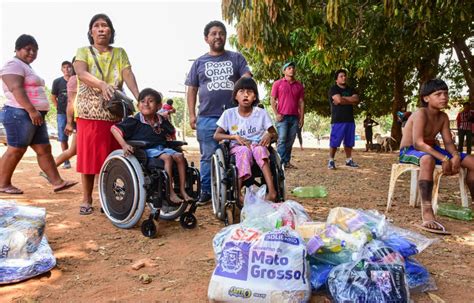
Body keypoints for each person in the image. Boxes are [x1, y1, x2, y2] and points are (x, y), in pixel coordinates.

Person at [73, 13, 139, 215]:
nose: (101, 29)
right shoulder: (82, 51)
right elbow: (81, 72)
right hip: (89, 113)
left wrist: (140, 97)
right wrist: (101, 84)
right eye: (97, 26)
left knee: (111, 157)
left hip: (113, 113)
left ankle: (107, 197)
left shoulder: (120, 53)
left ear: (111, 31)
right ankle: (86, 199)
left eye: (105, 26)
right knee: (88, 158)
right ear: (91, 32)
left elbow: (127, 74)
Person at [0, 34, 77, 194]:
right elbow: (16, 89)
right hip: (19, 113)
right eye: (28, 49)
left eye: (35, 50)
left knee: (44, 149)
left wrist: (36, 112)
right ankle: (2, 183)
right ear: (17, 48)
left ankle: (57, 182)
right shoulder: (13, 64)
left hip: (34, 116)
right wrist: (32, 110)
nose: (32, 53)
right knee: (16, 149)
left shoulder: (26, 67)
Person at [186, 20, 251, 205]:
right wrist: (192, 115)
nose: (218, 36)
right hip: (207, 117)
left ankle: (240, 189)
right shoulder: (199, 62)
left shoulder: (237, 58)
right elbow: (192, 89)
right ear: (206, 38)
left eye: (221, 33)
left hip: (234, 116)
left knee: (239, 151)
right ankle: (206, 191)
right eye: (213, 33)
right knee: (207, 156)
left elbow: (247, 79)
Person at [399, 79, 474, 235]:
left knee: (471, 161)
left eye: (446, 94)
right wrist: (445, 158)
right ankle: (427, 212)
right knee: (427, 159)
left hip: (432, 149)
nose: (444, 97)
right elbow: (418, 143)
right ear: (426, 98)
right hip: (410, 150)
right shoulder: (421, 113)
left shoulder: (443, 117)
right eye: (438, 94)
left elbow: (448, 142)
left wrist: (454, 155)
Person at [111, 88, 192, 204]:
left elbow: (172, 131)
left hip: (161, 148)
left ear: (159, 106)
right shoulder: (135, 120)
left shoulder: (161, 120)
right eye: (143, 101)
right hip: (145, 150)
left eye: (150, 101)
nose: (146, 104)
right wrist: (124, 145)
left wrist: (172, 139)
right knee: (167, 158)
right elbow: (114, 129)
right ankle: (171, 193)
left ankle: (183, 191)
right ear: (138, 105)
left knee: (179, 156)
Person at [214, 77, 278, 202]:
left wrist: (269, 135)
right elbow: (217, 135)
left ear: (255, 97)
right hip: (238, 147)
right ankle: (238, 194)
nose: (246, 94)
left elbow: (274, 133)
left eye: (250, 91)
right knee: (244, 151)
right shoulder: (229, 114)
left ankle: (272, 192)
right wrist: (234, 137)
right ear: (235, 96)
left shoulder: (261, 113)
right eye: (241, 91)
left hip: (258, 145)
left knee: (260, 150)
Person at [270, 61, 305, 169]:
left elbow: (301, 102)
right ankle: (279, 164)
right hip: (282, 117)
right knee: (282, 140)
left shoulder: (299, 85)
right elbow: (272, 99)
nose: (292, 70)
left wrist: (302, 117)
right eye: (289, 68)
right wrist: (276, 114)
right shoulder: (277, 83)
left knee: (290, 141)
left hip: (294, 117)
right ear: (284, 71)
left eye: (293, 68)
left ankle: (286, 162)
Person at [328, 69, 360, 169]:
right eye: (341, 76)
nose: (344, 78)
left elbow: (356, 99)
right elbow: (338, 100)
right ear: (336, 79)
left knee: (349, 142)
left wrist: (343, 100)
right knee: (334, 142)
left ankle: (349, 160)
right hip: (338, 119)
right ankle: (331, 161)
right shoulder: (333, 89)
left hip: (350, 119)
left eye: (345, 76)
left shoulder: (351, 89)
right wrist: (349, 100)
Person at [51, 60, 73, 168]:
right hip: (62, 114)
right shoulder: (57, 82)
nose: (67, 69)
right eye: (64, 67)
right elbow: (53, 97)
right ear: (61, 69)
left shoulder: (77, 80)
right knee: (63, 138)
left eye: (69, 67)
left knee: (81, 136)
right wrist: (58, 108)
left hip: (77, 114)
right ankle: (66, 162)